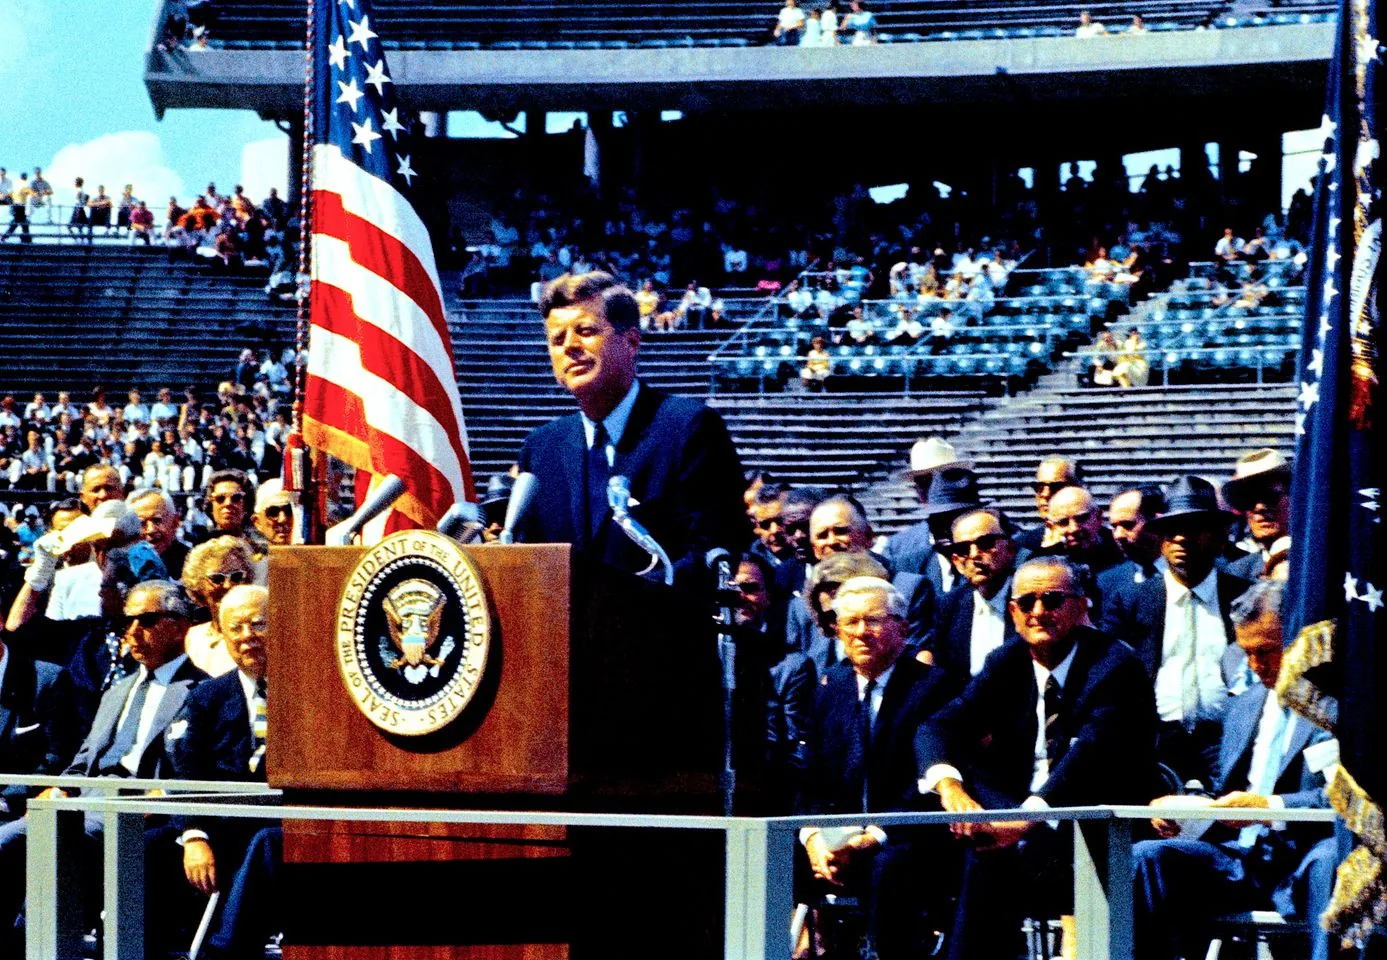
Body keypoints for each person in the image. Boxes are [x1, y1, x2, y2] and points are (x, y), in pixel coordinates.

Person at [918, 556, 1157, 960]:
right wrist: (950, 787)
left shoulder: (1117, 665)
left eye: (1052, 599)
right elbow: (939, 726)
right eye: (1026, 603)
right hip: (1017, 829)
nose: (1039, 612)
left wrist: (1025, 820)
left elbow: (1090, 757)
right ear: (1012, 612)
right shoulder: (1006, 661)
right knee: (925, 854)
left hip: (1094, 824)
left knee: (991, 861)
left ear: (1082, 607)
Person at [1132, 578, 1336, 960]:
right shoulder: (1244, 706)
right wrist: (1187, 811)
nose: (1257, 666)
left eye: (1268, 652)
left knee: (1331, 860)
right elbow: (1226, 791)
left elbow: (1345, 795)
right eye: (1247, 653)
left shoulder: (1339, 704)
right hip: (1241, 858)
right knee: (1148, 857)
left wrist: (1269, 808)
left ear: (1296, 639)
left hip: (1305, 853)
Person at [0, 580, 207, 954]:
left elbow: (193, 770)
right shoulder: (118, 689)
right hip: (87, 801)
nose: (132, 632)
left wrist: (159, 797)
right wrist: (63, 786)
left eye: (146, 620)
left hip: (139, 809)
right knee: (8, 839)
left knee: (53, 843)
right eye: (128, 621)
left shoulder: (201, 690)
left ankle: (36, 945)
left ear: (178, 626)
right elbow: (84, 759)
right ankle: (22, 943)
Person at [514, 272, 747, 583]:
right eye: (557, 339)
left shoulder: (689, 428)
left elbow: (714, 550)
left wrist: (614, 604)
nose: (570, 345)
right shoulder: (541, 449)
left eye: (585, 331)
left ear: (632, 342)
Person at [797, 577, 954, 960]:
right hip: (839, 832)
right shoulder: (829, 685)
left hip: (909, 834)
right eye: (849, 622)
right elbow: (810, 776)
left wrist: (873, 837)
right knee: (768, 854)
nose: (860, 632)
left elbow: (927, 783)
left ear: (903, 627)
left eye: (873, 621)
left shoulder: (933, 687)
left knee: (890, 868)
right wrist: (815, 837)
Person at [1099, 477, 1252, 787]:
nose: (1182, 539)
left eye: (1195, 528)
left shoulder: (1245, 598)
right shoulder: (1130, 600)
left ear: (1221, 537)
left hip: (1226, 741)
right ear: (1161, 540)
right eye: (1172, 530)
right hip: (1156, 743)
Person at [168, 584, 277, 958]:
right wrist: (194, 834)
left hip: (280, 823)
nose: (248, 637)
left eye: (259, 625)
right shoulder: (206, 696)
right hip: (219, 823)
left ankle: (224, 953)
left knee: (265, 842)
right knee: (144, 846)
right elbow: (184, 769)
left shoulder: (310, 691)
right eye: (237, 627)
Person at [926, 507, 1020, 681]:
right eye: (963, 549)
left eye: (986, 543)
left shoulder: (1031, 600)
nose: (975, 554)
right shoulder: (948, 607)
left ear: (1011, 549)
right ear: (957, 562)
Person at [881, 437, 981, 594]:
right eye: (924, 482)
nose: (936, 488)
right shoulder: (897, 548)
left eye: (947, 477)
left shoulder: (998, 541)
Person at [181, 537, 257, 678]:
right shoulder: (190, 637)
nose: (228, 585)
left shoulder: (258, 635)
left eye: (236, 576)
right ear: (198, 587)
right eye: (217, 579)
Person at [1221, 448, 1292, 580]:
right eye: (1249, 499)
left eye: (1269, 497)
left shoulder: (1317, 561)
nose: (1259, 508)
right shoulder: (1236, 574)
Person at [1100, 485, 1167, 592]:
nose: (1118, 535)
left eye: (1128, 525)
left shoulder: (1191, 574)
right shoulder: (1106, 584)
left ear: (1157, 522)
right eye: (1114, 527)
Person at [1020, 456, 1081, 552]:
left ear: (1078, 488)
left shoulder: (1106, 541)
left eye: (1056, 487)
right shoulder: (1026, 544)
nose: (1045, 494)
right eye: (1040, 487)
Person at [129, 489, 191, 579]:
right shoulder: (124, 565)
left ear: (175, 522)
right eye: (141, 523)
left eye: (157, 520)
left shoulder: (193, 563)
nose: (151, 530)